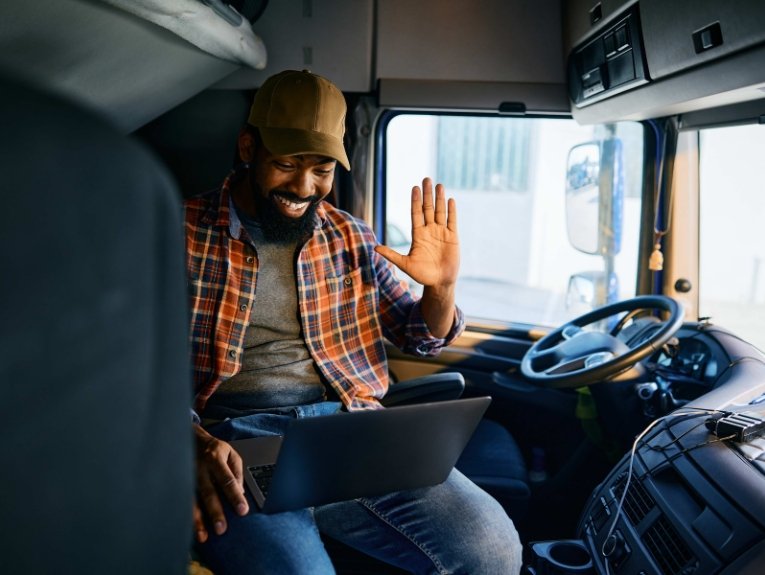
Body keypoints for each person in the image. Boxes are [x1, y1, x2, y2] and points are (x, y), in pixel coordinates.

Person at [185, 69, 522, 574]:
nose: (304, 186)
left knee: (495, 551)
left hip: (353, 434)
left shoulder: (349, 235)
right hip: (237, 441)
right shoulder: (180, 230)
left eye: (321, 169)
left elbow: (420, 335)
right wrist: (191, 442)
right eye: (287, 164)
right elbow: (127, 369)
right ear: (248, 147)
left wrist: (442, 287)